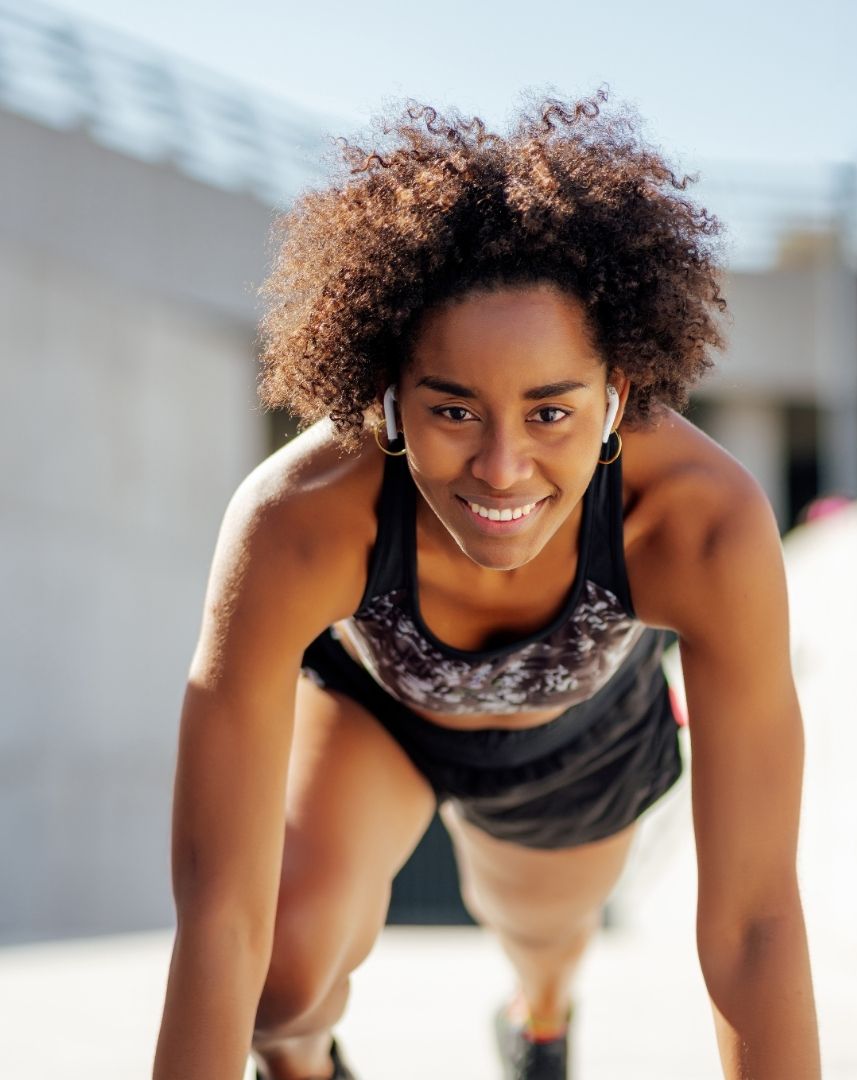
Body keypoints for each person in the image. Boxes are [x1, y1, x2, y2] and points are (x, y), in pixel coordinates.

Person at [152, 91, 820, 1079]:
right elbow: (218, 910)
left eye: (550, 414)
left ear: (616, 396)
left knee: (542, 942)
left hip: (578, 746)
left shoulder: (701, 522)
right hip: (381, 712)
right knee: (276, 982)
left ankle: (539, 1018)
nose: (502, 469)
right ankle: (304, 1065)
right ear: (388, 392)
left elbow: (755, 920)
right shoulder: (297, 521)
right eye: (454, 411)